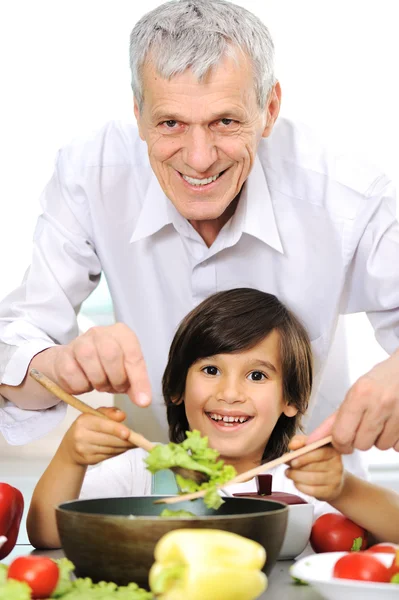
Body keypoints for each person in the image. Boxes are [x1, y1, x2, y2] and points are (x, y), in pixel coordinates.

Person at [1, 0, 399, 460]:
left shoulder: (347, 194)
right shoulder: (89, 175)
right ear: (138, 114)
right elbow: (17, 339)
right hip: (150, 493)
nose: (199, 157)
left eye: (225, 122)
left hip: (312, 498)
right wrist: (57, 366)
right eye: (170, 123)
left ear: (269, 109)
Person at [26, 289, 399, 549]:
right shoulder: (138, 469)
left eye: (257, 376)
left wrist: (342, 490)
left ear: (291, 400)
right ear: (176, 388)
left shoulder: (304, 482)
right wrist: (69, 458)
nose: (230, 393)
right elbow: (47, 535)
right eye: (210, 370)